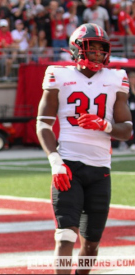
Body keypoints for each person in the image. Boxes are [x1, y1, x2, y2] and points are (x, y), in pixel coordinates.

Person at [36, 23, 132, 275]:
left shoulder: (116, 79)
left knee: (91, 246)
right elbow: (43, 124)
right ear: (77, 50)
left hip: (100, 169)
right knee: (65, 235)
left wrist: (105, 125)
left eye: (102, 49)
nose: (98, 54)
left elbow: (127, 130)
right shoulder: (59, 75)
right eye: (92, 48)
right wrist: (56, 161)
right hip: (69, 165)